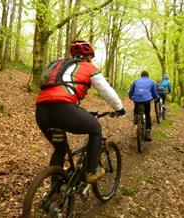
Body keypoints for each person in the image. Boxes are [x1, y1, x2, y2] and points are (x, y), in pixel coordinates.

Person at [35, 40, 126, 183]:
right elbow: (106, 91)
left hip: (42, 111)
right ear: (89, 57)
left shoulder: (58, 65)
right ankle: (91, 171)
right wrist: (119, 108)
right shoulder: (89, 67)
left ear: (74, 55)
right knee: (95, 128)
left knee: (60, 148)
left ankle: (55, 191)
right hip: (64, 109)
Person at [128, 71, 159, 141]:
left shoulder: (136, 81)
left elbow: (131, 91)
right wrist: (156, 97)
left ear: (141, 76)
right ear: (148, 76)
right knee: (147, 114)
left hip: (136, 99)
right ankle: (148, 132)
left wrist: (130, 97)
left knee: (136, 105)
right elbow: (154, 93)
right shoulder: (151, 81)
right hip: (146, 100)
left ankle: (136, 116)